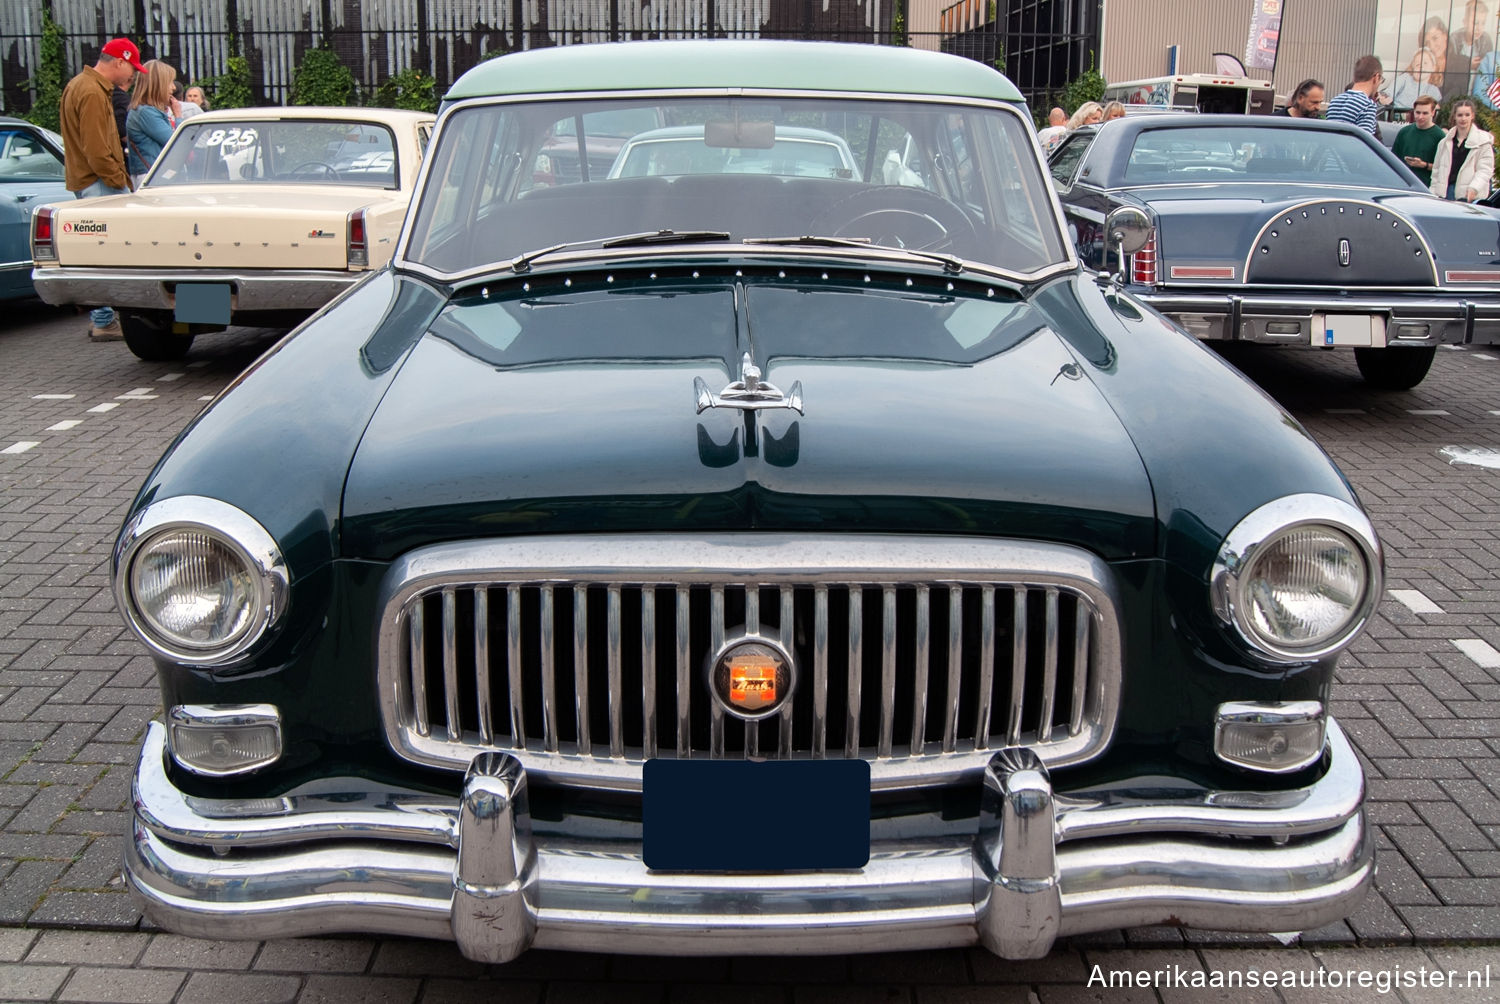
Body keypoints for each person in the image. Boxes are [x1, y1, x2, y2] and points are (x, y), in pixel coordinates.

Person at [59, 37, 143, 341]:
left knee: (97, 250)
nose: (132, 76)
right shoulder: (93, 92)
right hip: (100, 183)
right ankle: (105, 320)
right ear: (118, 62)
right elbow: (96, 149)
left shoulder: (80, 84)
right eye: (131, 68)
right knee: (107, 252)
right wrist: (119, 181)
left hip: (90, 181)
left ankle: (103, 318)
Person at [1430, 97, 1495, 201]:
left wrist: (1474, 188)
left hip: (1469, 195)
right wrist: (1433, 192)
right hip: (1445, 194)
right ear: (1454, 116)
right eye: (1460, 115)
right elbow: (1436, 170)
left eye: (1467, 115)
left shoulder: (1483, 142)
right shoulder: (1445, 142)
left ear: (1472, 116)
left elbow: (1485, 170)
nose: (1463, 119)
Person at [126, 61, 177, 187]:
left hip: (151, 174)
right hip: (152, 176)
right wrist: (179, 116)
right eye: (170, 82)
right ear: (158, 84)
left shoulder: (144, 110)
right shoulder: (146, 112)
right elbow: (175, 142)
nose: (173, 87)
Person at [1325, 56, 1390, 135]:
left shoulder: (1335, 101)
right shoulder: (1367, 105)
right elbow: (1364, 142)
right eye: (1381, 80)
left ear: (1354, 77)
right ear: (1376, 77)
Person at [1393, 94, 1444, 186]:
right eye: (1418, 112)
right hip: (1402, 183)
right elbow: (1393, 159)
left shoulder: (1439, 136)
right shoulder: (1404, 132)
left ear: (1433, 113)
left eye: (1425, 113)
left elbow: (1443, 168)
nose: (1420, 117)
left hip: (1426, 186)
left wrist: (1424, 165)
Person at [1455, 1, 1493, 92]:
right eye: (1475, 23)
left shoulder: (1486, 41)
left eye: (1483, 23)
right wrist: (1467, 64)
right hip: (1458, 93)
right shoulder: (1454, 39)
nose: (1479, 28)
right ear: (1464, 22)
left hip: (1477, 94)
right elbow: (1450, 65)